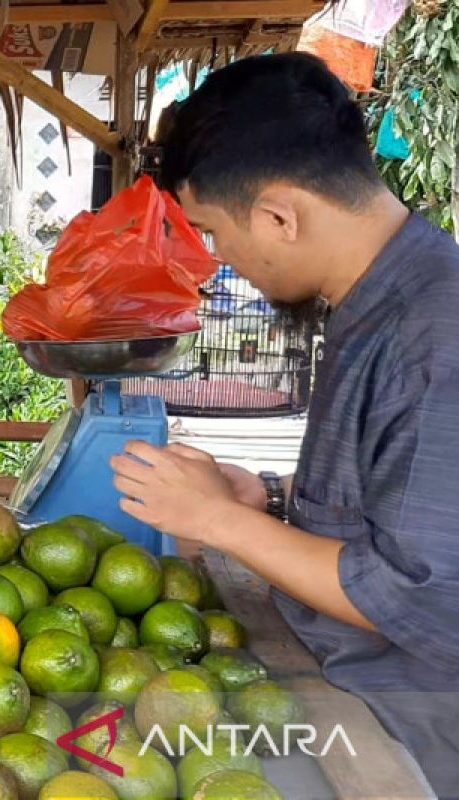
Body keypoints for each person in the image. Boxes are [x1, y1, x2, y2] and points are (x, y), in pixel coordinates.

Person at [110, 53, 459, 795]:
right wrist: (266, 494)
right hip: (339, 680)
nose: (219, 259)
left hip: (407, 734)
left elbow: (419, 594)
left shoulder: (435, 336)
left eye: (212, 232)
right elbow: (398, 491)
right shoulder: (382, 298)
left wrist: (221, 524)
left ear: (277, 215)